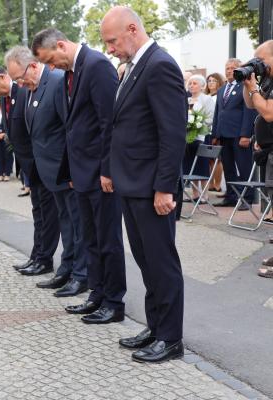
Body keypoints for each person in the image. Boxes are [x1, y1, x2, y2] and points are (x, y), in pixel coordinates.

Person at [101, 6, 187, 363]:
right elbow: (123, 126)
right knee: (146, 262)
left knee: (161, 263)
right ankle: (155, 327)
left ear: (132, 29)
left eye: (112, 41)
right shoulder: (136, 67)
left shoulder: (160, 65)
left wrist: (165, 188)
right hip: (133, 185)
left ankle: (170, 339)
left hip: (153, 188)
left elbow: (172, 132)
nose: (110, 49)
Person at [32, 28, 127, 324]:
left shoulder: (97, 65)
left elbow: (109, 122)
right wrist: (71, 171)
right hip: (81, 173)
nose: (52, 67)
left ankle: (113, 302)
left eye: (51, 60)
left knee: (108, 240)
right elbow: (74, 126)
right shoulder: (72, 72)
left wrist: (107, 170)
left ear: (61, 45)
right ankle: (96, 294)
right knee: (91, 238)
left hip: (101, 175)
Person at [5, 46, 88, 297]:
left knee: (77, 225)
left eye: (20, 78)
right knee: (65, 222)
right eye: (16, 80)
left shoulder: (55, 81)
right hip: (49, 171)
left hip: (64, 169)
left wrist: (72, 170)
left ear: (32, 65)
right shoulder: (31, 88)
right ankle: (66, 268)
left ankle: (81, 274)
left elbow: (69, 129)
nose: (19, 84)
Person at [0, 62, 60, 283]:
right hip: (27, 165)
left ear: (3, 77)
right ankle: (37, 255)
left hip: (40, 162)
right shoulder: (5, 97)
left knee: (47, 214)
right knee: (38, 212)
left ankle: (45, 258)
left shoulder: (24, 91)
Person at [242, 40, 273, 278]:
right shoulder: (269, 80)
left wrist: (253, 87)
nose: (259, 65)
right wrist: (247, 83)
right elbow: (251, 103)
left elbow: (269, 113)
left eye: (262, 61)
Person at [212, 59, 258, 209]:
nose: (229, 70)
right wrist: (215, 135)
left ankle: (248, 198)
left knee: (244, 167)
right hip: (224, 135)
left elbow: (249, 110)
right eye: (227, 68)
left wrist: (246, 134)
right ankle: (231, 197)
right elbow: (218, 113)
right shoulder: (221, 89)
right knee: (229, 168)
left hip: (239, 135)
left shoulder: (244, 87)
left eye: (233, 68)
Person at [183, 75, 215, 202]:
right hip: (187, 137)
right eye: (190, 83)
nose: (191, 85)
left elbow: (210, 117)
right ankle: (195, 194)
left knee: (202, 165)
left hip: (201, 135)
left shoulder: (207, 99)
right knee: (190, 164)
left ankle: (205, 195)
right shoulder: (186, 99)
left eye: (195, 83)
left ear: (202, 86)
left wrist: (197, 124)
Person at [205, 73, 226, 191]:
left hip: (216, 130)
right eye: (209, 81)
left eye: (214, 80)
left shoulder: (220, 95)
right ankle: (211, 183)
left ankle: (217, 184)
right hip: (206, 130)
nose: (211, 83)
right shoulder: (206, 96)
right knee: (208, 159)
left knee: (217, 159)